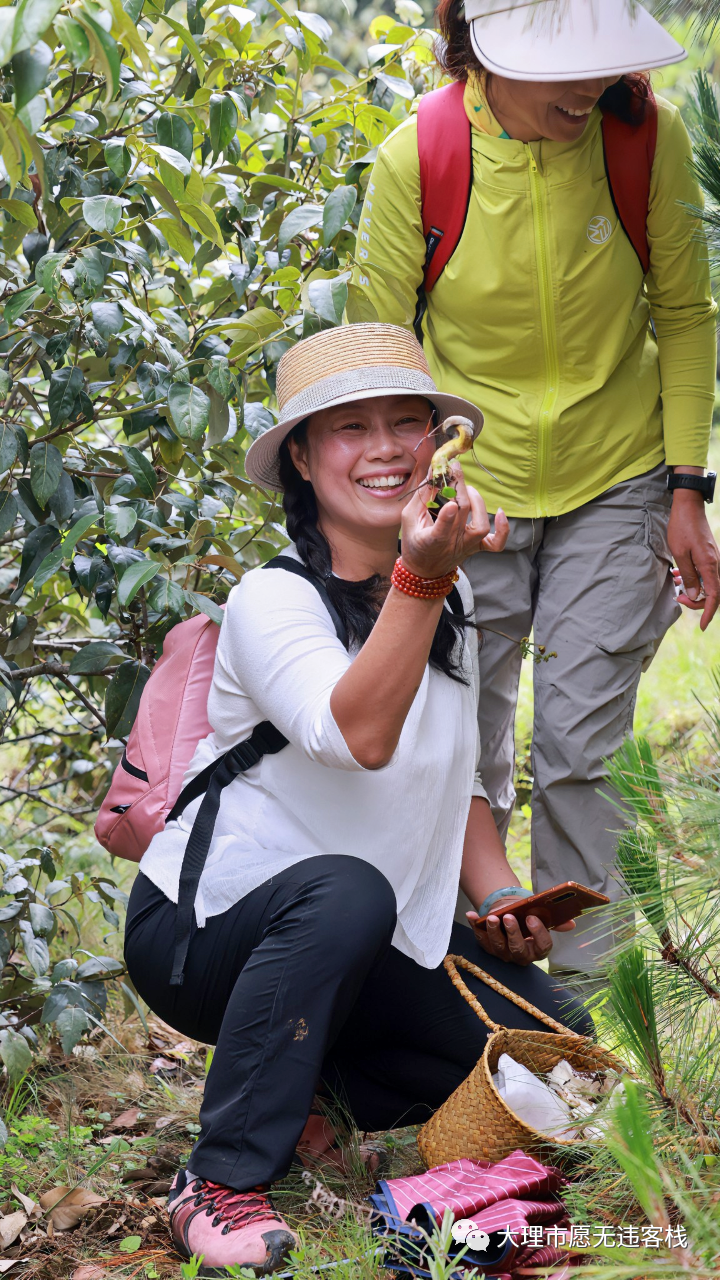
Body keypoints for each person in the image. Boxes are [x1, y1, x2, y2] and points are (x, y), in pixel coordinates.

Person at [124, 325, 593, 1277]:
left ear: (438, 445)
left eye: (406, 423)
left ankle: (316, 1087)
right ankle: (215, 1181)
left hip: (366, 945)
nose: (384, 448)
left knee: (564, 1061)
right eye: (349, 429)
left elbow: (450, 775)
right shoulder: (272, 598)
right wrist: (426, 574)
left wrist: (501, 898)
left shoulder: (442, 605)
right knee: (345, 890)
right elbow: (356, 737)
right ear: (302, 457)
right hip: (207, 934)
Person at [353, 0, 720, 978]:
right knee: (460, 759)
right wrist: (396, 521)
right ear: (486, 54)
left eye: (602, 62)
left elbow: (685, 312)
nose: (590, 87)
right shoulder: (417, 161)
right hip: (472, 497)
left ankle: (584, 1025)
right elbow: (376, 366)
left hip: (621, 477)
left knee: (581, 753)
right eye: (566, 66)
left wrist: (689, 485)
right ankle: (464, 1007)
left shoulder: (646, 140)